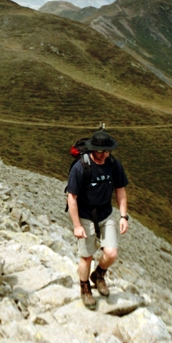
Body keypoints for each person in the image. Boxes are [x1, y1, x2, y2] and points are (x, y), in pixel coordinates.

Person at [66, 130, 129, 309]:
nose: (103, 155)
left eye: (106, 151)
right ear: (92, 149)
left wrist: (123, 216)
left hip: (106, 214)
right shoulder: (80, 168)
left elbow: (120, 190)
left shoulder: (114, 165)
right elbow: (72, 197)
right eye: (99, 151)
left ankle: (99, 275)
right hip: (85, 217)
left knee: (111, 253)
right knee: (86, 257)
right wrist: (77, 225)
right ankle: (85, 288)